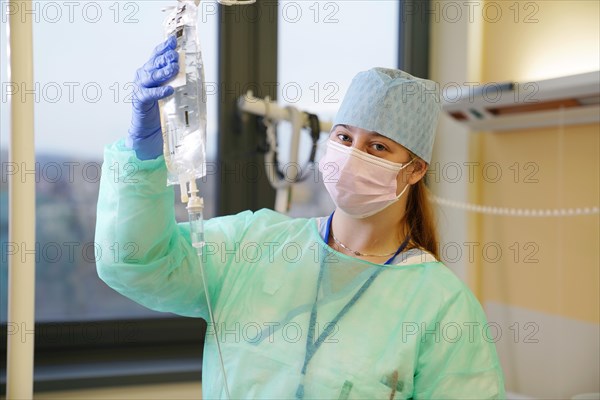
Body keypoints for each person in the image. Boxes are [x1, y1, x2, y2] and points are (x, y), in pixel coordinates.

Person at [96, 36, 506, 399]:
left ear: (415, 170)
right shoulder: (252, 246)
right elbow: (138, 262)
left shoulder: (442, 305)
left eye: (378, 147)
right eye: (345, 137)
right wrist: (143, 156)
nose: (353, 156)